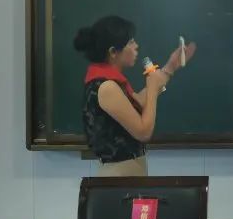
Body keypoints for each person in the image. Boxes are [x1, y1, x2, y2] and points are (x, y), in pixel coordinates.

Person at [73, 15, 197, 176]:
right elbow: (143, 131)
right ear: (113, 52)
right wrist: (152, 88)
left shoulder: (110, 81)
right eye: (130, 42)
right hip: (119, 175)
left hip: (127, 172)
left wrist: (170, 67)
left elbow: (138, 102)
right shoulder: (106, 87)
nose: (136, 46)